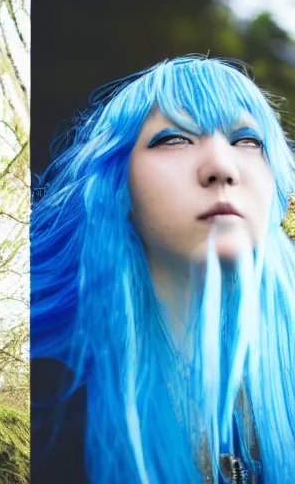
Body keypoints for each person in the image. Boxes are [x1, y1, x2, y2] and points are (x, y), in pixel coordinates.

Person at [31, 56, 295, 483]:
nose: (221, 168)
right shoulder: (50, 406)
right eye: (174, 139)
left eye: (247, 141)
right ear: (118, 188)